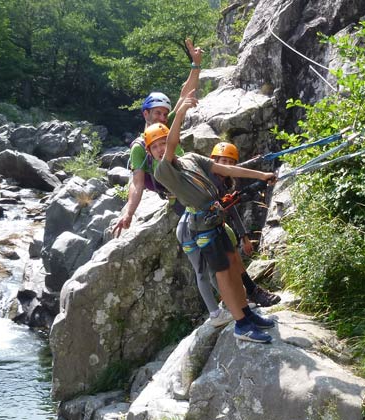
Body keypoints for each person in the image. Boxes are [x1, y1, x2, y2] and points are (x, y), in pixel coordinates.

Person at [149, 89, 276, 343]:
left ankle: (247, 315)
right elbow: (173, 144)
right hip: (202, 227)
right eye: (156, 147)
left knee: (233, 269)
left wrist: (261, 175)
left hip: (215, 220)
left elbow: (225, 168)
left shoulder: (192, 159)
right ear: (151, 153)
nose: (162, 148)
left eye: (163, 142)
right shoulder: (163, 171)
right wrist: (181, 112)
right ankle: (241, 325)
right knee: (222, 274)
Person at [180, 143, 281, 327]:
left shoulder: (224, 182)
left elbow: (230, 207)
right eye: (223, 161)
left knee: (230, 257)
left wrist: (243, 236)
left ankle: (243, 296)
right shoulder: (208, 179)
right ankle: (221, 311)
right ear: (214, 161)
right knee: (206, 271)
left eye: (229, 162)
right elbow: (226, 206)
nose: (226, 165)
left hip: (210, 224)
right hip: (192, 228)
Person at [112, 38, 203, 237]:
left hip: (190, 177)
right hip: (176, 191)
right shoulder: (139, 146)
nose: (162, 118)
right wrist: (129, 213)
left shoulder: (167, 124)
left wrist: (195, 65)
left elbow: (185, 93)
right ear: (146, 114)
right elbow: (137, 182)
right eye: (157, 113)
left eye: (165, 113)